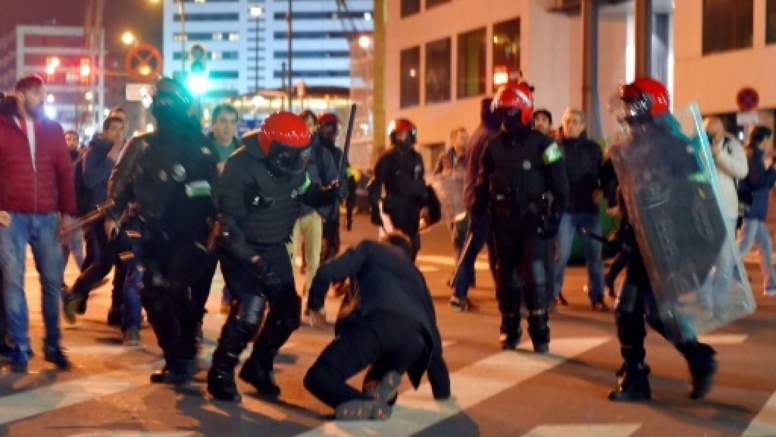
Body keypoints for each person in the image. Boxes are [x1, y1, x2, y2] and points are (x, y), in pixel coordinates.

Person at [206, 111, 340, 402]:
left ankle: (259, 364)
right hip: (241, 249)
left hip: (275, 244)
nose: (296, 162)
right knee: (250, 308)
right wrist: (254, 262)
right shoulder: (239, 166)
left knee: (288, 312)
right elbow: (227, 225)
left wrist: (326, 194)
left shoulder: (294, 166)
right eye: (289, 155)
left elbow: (305, 190)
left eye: (299, 155)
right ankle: (220, 372)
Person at [606, 77, 718, 401]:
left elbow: (694, 194)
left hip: (668, 240)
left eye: (633, 104)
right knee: (630, 308)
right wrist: (622, 232)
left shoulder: (673, 144)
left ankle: (698, 358)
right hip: (642, 240)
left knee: (652, 311)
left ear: (650, 106)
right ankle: (636, 377)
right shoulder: (627, 146)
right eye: (625, 104)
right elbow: (628, 194)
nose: (627, 111)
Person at [104, 77, 220, 384]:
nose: (164, 106)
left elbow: (219, 190)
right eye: (160, 99)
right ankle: (177, 359)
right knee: (153, 292)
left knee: (181, 290)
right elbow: (120, 182)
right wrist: (112, 215)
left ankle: (187, 350)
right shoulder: (142, 145)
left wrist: (220, 224)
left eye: (170, 99)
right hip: (155, 233)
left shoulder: (203, 146)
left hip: (195, 234)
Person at [304, 233, 451, 420]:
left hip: (377, 325)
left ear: (386, 244)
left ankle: (365, 403)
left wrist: (316, 305)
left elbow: (326, 272)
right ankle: (383, 383)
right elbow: (434, 338)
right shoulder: (417, 275)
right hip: (414, 341)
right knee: (373, 381)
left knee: (319, 376)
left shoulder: (372, 249)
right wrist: (442, 390)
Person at [471, 83, 569, 352]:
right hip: (503, 220)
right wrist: (476, 213)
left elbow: (560, 185)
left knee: (536, 275)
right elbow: (481, 184)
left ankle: (540, 331)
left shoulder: (545, 144)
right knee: (506, 277)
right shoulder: (491, 147)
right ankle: (509, 328)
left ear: (524, 111)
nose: (507, 116)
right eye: (502, 111)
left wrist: (555, 216)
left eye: (512, 111)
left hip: (534, 219)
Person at [0, 74, 77, 372]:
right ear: (20, 97)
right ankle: (20, 345)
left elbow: (64, 173)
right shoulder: (3, 128)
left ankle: (53, 344)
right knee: (12, 282)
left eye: (42, 92)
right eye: (35, 93)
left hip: (46, 216)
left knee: (51, 282)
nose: (41, 97)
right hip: (10, 217)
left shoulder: (53, 130)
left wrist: (68, 212)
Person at [63, 115, 126, 324]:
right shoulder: (94, 152)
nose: (118, 133)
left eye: (121, 129)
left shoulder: (126, 152)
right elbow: (90, 180)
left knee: (106, 259)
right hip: (96, 214)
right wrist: (110, 159)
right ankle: (75, 293)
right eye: (114, 129)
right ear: (105, 131)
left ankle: (82, 298)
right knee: (105, 260)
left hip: (117, 214)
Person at [552, 108, 607, 311]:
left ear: (583, 125)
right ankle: (553, 294)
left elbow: (605, 173)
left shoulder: (594, 149)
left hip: (588, 208)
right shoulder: (553, 148)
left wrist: (604, 190)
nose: (571, 125)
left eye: (575, 121)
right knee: (562, 254)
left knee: (594, 255)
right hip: (565, 209)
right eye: (567, 121)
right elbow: (546, 175)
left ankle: (597, 296)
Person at [449, 98, 501, 311]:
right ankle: (458, 292)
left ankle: (501, 292)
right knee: (474, 248)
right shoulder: (490, 136)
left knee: (493, 249)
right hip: (484, 199)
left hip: (476, 198)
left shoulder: (480, 132)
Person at [287, 109, 340, 297]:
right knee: (288, 258)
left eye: (309, 125)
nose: (306, 129)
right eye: (302, 125)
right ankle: (288, 297)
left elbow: (332, 183)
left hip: (313, 212)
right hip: (290, 213)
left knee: (314, 259)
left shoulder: (322, 154)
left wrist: (325, 212)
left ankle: (311, 295)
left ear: (315, 127)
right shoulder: (287, 151)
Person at [699, 116, 747, 310]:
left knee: (725, 258)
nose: (710, 136)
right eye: (707, 132)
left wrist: (718, 153)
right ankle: (704, 300)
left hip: (727, 208)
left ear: (722, 132)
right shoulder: (698, 145)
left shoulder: (731, 146)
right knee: (702, 257)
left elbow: (742, 171)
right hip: (702, 209)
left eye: (714, 132)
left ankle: (719, 302)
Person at [368, 118, 428, 260]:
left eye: (406, 134)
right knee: (397, 246)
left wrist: (426, 204)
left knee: (414, 245)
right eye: (400, 134)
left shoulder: (416, 157)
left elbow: (421, 182)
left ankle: (406, 274)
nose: (404, 138)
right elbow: (376, 184)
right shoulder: (387, 158)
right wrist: (375, 209)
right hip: (394, 207)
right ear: (394, 136)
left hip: (412, 208)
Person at [208, 103, 241, 314]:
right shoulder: (203, 149)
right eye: (222, 121)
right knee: (204, 263)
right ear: (213, 124)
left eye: (232, 122)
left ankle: (229, 298)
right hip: (207, 213)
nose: (227, 127)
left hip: (234, 214)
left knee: (234, 260)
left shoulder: (242, 151)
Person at [737, 126, 776, 296]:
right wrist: (773, 169)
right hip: (750, 208)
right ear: (764, 139)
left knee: (765, 244)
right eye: (770, 139)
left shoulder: (753, 154)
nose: (770, 143)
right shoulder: (753, 155)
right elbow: (758, 182)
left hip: (753, 208)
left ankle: (771, 285)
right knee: (743, 246)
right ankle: (716, 273)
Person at [432, 127, 469, 268]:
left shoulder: (470, 156)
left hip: (464, 202)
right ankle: (463, 272)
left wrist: (459, 175)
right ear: (453, 139)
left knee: (459, 238)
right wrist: (444, 175)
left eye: (466, 137)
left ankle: (461, 274)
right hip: (450, 204)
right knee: (456, 239)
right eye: (462, 137)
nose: (465, 140)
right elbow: (436, 175)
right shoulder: (444, 156)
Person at [317, 112, 350, 264]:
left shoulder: (338, 154)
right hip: (315, 205)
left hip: (332, 206)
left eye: (333, 127)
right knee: (316, 245)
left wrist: (348, 195)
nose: (331, 131)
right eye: (327, 127)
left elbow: (346, 175)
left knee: (332, 245)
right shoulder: (312, 152)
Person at [62, 129, 86, 272]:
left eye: (74, 139)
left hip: (77, 207)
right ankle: (87, 275)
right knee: (76, 243)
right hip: (65, 208)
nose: (71, 142)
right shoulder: (60, 158)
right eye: (68, 139)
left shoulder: (82, 159)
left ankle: (58, 281)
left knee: (65, 247)